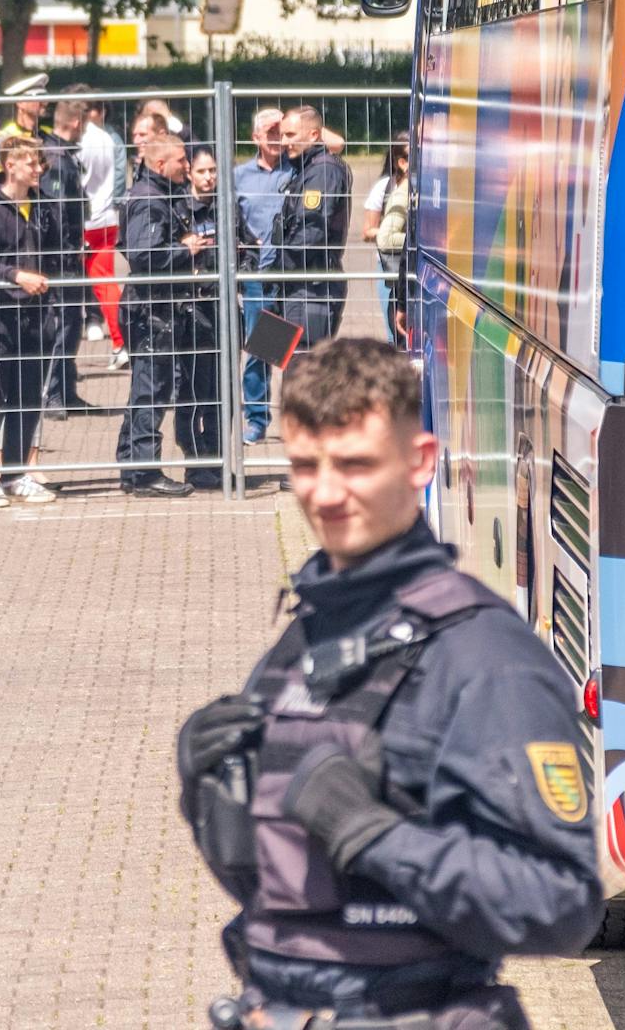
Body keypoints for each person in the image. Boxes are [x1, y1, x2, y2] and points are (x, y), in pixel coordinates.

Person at [178, 340, 601, 1025]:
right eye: (305, 465)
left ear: (419, 462)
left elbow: (560, 903)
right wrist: (206, 793)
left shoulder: (486, 659)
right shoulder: (307, 633)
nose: (325, 492)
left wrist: (372, 834)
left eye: (354, 465)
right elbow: (284, 888)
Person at [0, 135, 58, 507]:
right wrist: (16, 275)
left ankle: (16, 472)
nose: (39, 169)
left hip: (37, 315)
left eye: (40, 162)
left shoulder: (43, 205)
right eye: (33, 162)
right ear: (11, 164)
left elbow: (57, 253)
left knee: (29, 396)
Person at [114, 130, 201, 498]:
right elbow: (144, 256)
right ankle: (144, 470)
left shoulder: (159, 194)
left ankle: (133, 467)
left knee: (149, 388)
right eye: (182, 160)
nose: (188, 165)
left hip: (155, 307)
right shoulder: (149, 200)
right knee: (152, 389)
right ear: (161, 163)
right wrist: (188, 251)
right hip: (150, 309)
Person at [276, 107, 354, 351]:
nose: (283, 142)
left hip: (311, 287)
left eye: (290, 135)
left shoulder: (323, 170)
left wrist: (278, 268)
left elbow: (310, 234)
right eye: (281, 135)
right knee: (272, 353)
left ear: (313, 135)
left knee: (304, 368)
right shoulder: (305, 168)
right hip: (292, 285)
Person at [234, 107, 288, 443]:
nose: (276, 139)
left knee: (288, 351)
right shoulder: (239, 176)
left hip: (288, 273)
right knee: (258, 350)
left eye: (281, 132)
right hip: (256, 273)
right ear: (255, 138)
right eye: (269, 133)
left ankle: (298, 419)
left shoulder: (296, 170)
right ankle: (256, 418)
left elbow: (335, 146)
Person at [40, 95, 90, 418]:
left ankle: (67, 389)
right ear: (75, 123)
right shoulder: (57, 160)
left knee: (73, 323)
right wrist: (66, 251)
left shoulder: (62, 154)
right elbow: (56, 212)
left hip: (70, 256)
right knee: (61, 325)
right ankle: (52, 393)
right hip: (61, 259)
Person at [177, 148, 224, 487]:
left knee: (222, 392)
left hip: (222, 309)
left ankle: (221, 457)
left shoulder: (226, 208)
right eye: (202, 171)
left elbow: (246, 246)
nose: (209, 177)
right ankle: (195, 462)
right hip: (191, 311)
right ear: (189, 172)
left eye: (213, 171)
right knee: (193, 390)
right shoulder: (179, 209)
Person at [73, 87, 126, 364]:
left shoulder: (81, 140)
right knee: (104, 282)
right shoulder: (109, 138)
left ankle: (116, 340)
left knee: (88, 283)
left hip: (86, 220)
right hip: (107, 217)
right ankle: (119, 341)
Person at [367, 144, 410, 345]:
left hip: (406, 281)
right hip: (398, 278)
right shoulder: (402, 191)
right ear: (402, 163)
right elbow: (384, 237)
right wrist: (423, 242)